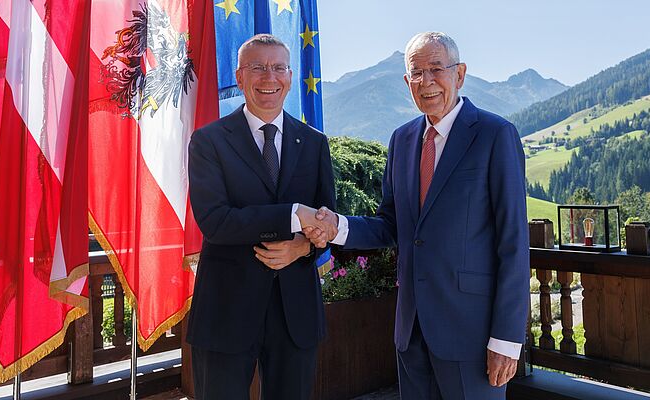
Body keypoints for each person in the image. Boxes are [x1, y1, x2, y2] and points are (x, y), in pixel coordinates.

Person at [304, 32, 529, 399]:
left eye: (436, 69)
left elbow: (514, 243)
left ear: (460, 74)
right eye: (416, 73)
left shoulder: (494, 135)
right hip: (411, 332)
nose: (426, 82)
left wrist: (506, 338)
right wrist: (336, 227)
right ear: (407, 82)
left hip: (472, 335)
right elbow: (391, 224)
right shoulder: (402, 139)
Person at [186, 34, 337, 400]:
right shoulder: (208, 142)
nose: (269, 77)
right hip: (226, 312)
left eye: (278, 67)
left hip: (295, 315)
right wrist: (290, 215)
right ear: (240, 77)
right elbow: (215, 221)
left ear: (289, 75)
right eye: (258, 67)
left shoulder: (315, 143)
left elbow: (325, 223)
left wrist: (303, 248)